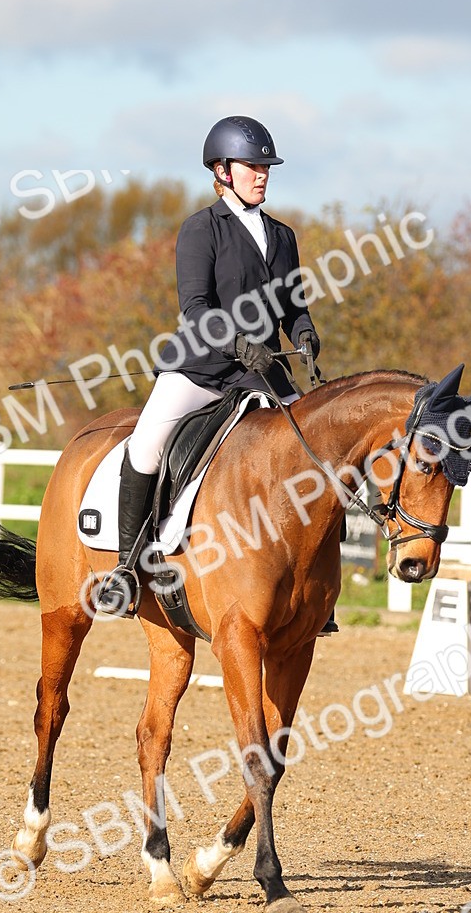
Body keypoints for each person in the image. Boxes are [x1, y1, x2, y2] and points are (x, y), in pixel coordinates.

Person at [96, 114, 322, 616]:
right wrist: (239, 344)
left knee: (315, 447)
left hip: (262, 370)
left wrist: (304, 332)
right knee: (147, 444)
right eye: (252, 166)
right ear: (222, 171)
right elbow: (195, 309)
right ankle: (127, 568)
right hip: (201, 366)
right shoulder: (201, 229)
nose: (262, 174)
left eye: (266, 167)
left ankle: (315, 584)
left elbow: (293, 305)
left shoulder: (282, 235)